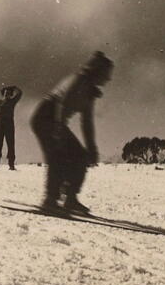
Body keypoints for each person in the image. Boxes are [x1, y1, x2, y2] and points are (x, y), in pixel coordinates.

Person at [30, 51, 113, 215]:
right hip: (45, 117)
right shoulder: (79, 81)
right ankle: (50, 200)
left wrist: (91, 148)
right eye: (106, 74)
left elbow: (87, 122)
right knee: (57, 157)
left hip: (56, 121)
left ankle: (70, 199)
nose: (108, 79)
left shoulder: (90, 92)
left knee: (81, 156)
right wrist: (59, 129)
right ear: (97, 71)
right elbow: (63, 102)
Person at [0, 85, 22, 170]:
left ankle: (11, 164)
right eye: (6, 93)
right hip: (0, 123)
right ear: (4, 94)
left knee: (10, 143)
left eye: (9, 94)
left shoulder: (12, 101)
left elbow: (20, 93)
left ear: (11, 95)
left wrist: (15, 87)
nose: (7, 95)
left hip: (9, 123)